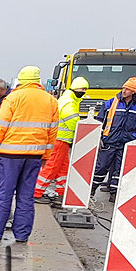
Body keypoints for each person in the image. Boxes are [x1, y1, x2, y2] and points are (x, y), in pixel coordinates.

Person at [0, 66, 58, 243]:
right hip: (34, 156)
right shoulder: (50, 100)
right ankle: (22, 234)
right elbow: (52, 132)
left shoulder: (13, 98)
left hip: (10, 155)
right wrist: (45, 156)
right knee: (26, 196)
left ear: (21, 80)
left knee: (3, 194)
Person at [92, 76, 136, 202]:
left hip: (126, 143)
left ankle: (114, 194)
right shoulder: (110, 103)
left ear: (133, 92)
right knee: (101, 168)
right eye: (123, 88)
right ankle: (91, 190)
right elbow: (100, 121)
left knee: (120, 171)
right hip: (109, 142)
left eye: (127, 89)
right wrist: (100, 137)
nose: (124, 91)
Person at [34, 76, 89, 204]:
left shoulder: (67, 99)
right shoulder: (70, 102)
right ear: (76, 89)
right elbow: (72, 121)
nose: (84, 92)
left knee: (62, 168)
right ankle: (36, 193)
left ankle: (62, 192)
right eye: (83, 89)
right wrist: (83, 131)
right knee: (52, 167)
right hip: (60, 140)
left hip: (60, 140)